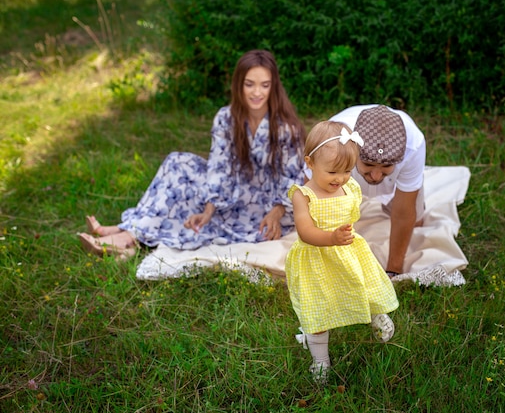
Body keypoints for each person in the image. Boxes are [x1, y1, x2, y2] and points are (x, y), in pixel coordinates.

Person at [78, 50, 306, 259]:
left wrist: (277, 212)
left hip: (268, 205)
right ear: (239, 85)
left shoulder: (285, 127)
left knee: (183, 201)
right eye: (249, 84)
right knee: (177, 162)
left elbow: (294, 177)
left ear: (273, 87)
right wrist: (208, 210)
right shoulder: (226, 118)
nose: (257, 92)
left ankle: (127, 236)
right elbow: (218, 167)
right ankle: (129, 231)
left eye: (264, 85)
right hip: (229, 191)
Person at [285, 121, 399, 384]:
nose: (340, 178)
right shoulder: (303, 195)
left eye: (348, 170)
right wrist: (332, 237)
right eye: (333, 171)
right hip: (314, 259)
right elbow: (305, 232)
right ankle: (321, 361)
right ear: (310, 163)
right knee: (317, 310)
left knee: (361, 286)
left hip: (347, 253)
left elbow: (349, 216)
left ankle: (376, 314)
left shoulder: (349, 188)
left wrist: (343, 238)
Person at [328, 104, 426, 278]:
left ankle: (388, 197)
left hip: (393, 181)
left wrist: (393, 271)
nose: (375, 175)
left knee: (416, 221)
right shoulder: (333, 142)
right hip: (347, 173)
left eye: (386, 166)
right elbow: (315, 193)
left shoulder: (414, 144)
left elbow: (404, 213)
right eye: (369, 165)